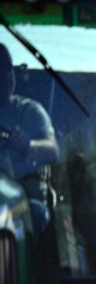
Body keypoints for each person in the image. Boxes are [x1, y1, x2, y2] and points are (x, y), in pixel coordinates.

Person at [0, 43, 59, 232]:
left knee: (37, 212)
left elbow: (52, 149)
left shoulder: (29, 111)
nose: (5, 75)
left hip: (24, 202)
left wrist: (28, 145)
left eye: (8, 68)